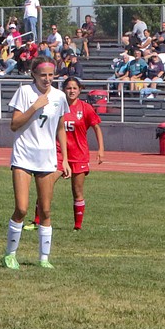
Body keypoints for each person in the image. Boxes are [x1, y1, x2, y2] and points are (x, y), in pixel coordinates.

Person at [3, 58, 71, 270]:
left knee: (46, 210)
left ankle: (43, 258)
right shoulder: (24, 92)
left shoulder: (60, 97)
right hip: (23, 156)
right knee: (22, 208)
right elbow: (14, 125)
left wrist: (65, 159)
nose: (47, 79)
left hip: (47, 158)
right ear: (34, 74)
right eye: (43, 75)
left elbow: (60, 129)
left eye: (51, 75)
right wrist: (34, 107)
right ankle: (10, 254)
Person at [56, 77, 105, 231]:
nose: (71, 91)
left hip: (78, 154)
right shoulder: (58, 107)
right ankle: (37, 222)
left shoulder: (85, 108)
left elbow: (97, 128)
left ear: (79, 90)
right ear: (64, 89)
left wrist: (101, 149)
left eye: (74, 88)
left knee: (77, 191)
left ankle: (77, 226)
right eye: (69, 88)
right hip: (58, 153)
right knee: (46, 185)